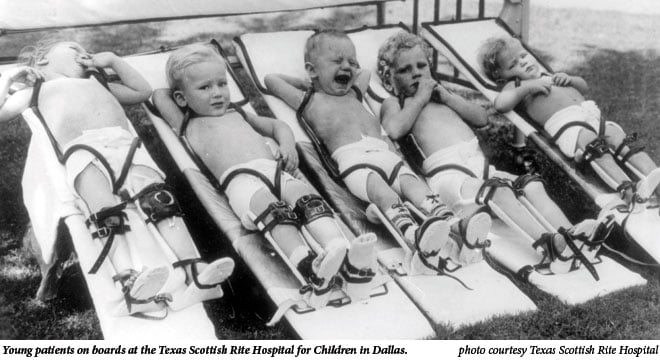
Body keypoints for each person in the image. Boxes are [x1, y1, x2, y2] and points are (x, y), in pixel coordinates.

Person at [0, 36, 234, 315]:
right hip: (85, 152)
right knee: (106, 212)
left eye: (86, 50)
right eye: (74, 48)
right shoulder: (37, 90)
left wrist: (111, 59)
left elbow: (141, 91)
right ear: (42, 60)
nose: (83, 53)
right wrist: (9, 79)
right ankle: (130, 279)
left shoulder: (98, 83)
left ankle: (194, 269)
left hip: (126, 148)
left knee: (161, 202)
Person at [153, 43, 377, 306]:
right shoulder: (186, 121)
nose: (217, 93)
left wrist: (286, 145)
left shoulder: (238, 112)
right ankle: (309, 267)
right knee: (275, 213)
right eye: (205, 88)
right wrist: (185, 73)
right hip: (240, 180)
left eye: (222, 84)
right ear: (181, 98)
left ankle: (341, 251)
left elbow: (277, 125)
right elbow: (159, 95)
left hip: (274, 170)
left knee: (309, 201)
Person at [376, 31, 608, 277]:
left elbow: (481, 118)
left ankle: (572, 235)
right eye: (405, 70)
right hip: (448, 177)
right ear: (389, 80)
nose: (416, 73)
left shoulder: (442, 97)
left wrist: (447, 97)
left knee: (532, 186)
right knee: (500, 192)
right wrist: (419, 99)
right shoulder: (395, 103)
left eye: (422, 65)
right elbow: (394, 129)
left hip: (481, 167)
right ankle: (550, 246)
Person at [264, 29, 492, 273]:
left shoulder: (354, 93)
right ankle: (413, 235)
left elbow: (365, 73)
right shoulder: (308, 100)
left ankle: (455, 225)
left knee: (416, 188)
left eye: (351, 61)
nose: (347, 67)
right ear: (311, 70)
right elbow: (271, 79)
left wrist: (338, 71)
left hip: (387, 156)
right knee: (384, 194)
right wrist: (311, 82)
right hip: (354, 161)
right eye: (336, 61)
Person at [478, 35, 660, 202]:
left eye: (524, 55)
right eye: (513, 65)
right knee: (594, 145)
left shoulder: (548, 75)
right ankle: (628, 190)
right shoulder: (516, 85)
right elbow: (501, 104)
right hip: (568, 126)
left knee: (620, 139)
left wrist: (570, 79)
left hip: (591, 116)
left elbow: (584, 87)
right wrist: (527, 88)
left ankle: (654, 176)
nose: (523, 63)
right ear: (501, 78)